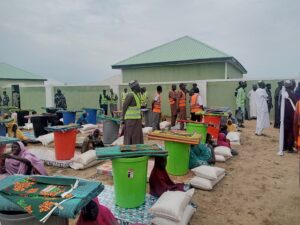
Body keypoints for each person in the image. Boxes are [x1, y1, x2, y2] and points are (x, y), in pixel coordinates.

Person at [122, 80, 143, 145]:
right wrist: (123, 119)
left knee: (136, 137)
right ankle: (128, 150)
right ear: (134, 87)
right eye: (138, 86)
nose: (139, 87)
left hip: (137, 119)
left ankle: (136, 150)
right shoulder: (130, 95)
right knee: (129, 137)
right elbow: (124, 107)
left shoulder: (138, 95)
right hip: (130, 120)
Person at [283, 80, 297, 152]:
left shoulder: (282, 93)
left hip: (283, 115)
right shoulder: (292, 95)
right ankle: (290, 148)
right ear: (291, 86)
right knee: (291, 131)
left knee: (284, 130)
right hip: (291, 115)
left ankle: (284, 146)